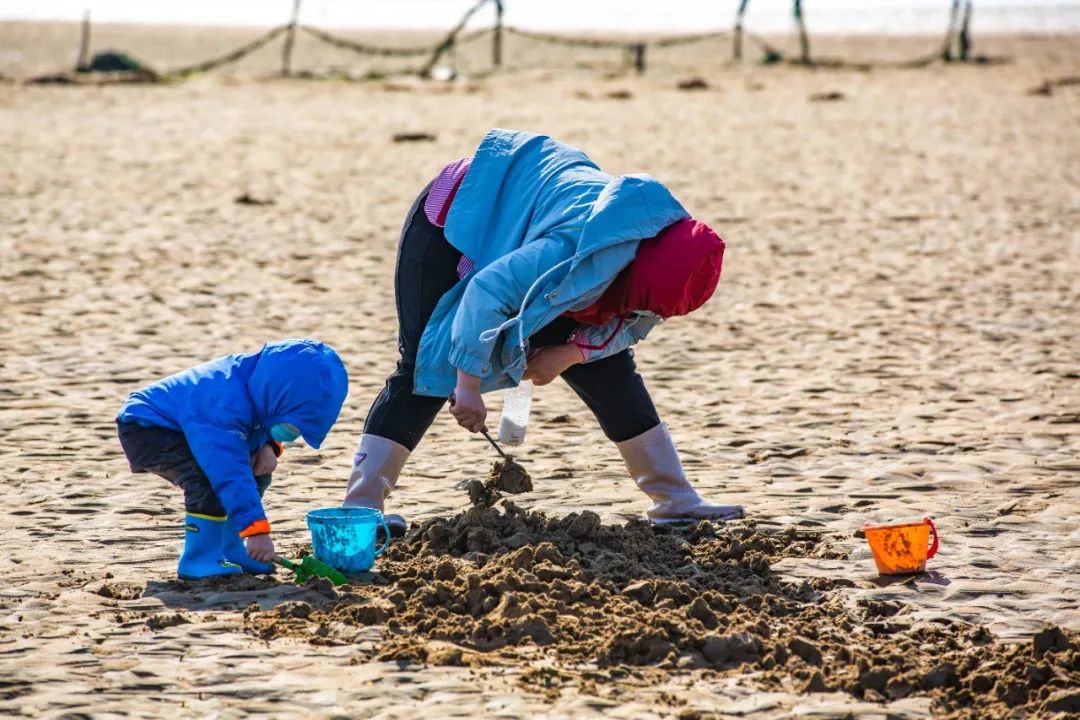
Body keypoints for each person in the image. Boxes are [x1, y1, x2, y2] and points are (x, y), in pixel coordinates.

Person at [344, 129, 744, 534]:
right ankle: (360, 510)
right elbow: (487, 292)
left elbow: (628, 325)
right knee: (423, 370)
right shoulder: (569, 250)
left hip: (543, 232)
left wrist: (569, 354)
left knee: (609, 369)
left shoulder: (670, 256)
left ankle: (676, 500)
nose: (642, 312)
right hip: (459, 217)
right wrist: (467, 384)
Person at [116, 339, 348, 579]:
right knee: (209, 480)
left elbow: (259, 422)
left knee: (257, 472)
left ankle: (231, 549)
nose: (294, 434)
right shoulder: (225, 402)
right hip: (148, 428)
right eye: (292, 425)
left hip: (193, 427)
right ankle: (199, 559)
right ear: (277, 395)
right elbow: (228, 471)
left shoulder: (261, 388)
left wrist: (269, 445)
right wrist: (256, 531)